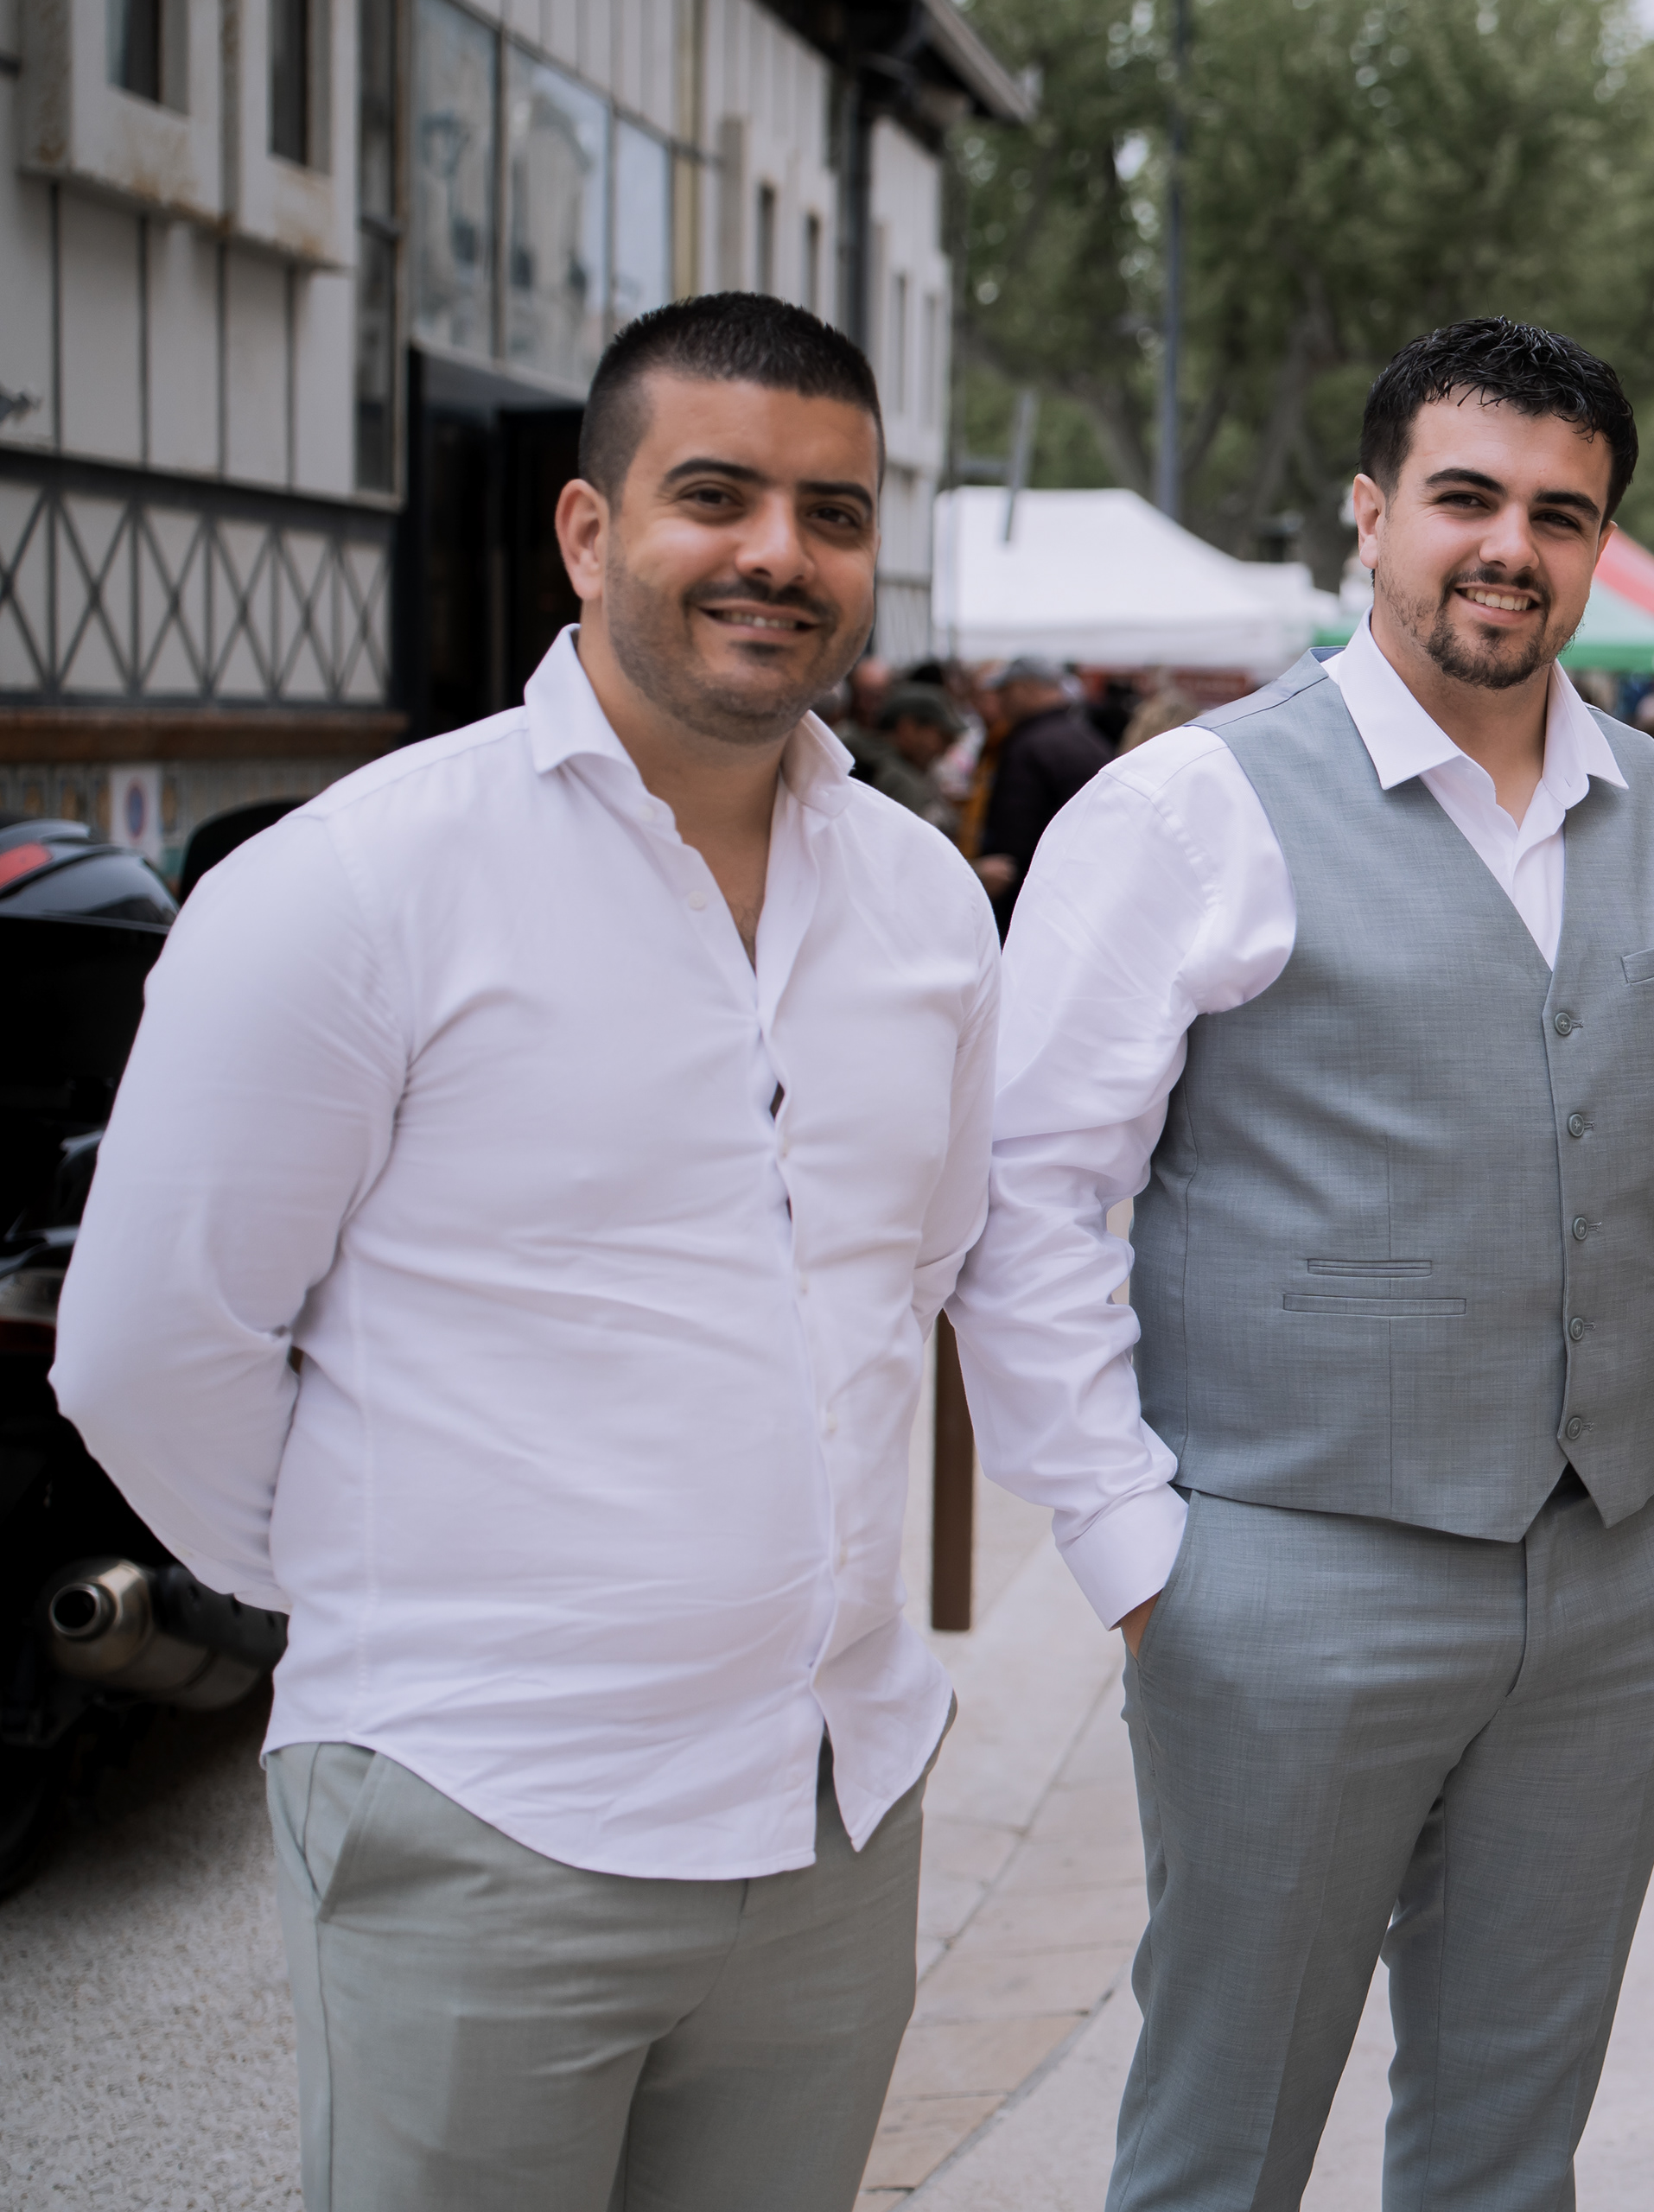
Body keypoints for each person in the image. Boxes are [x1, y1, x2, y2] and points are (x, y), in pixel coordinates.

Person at [49, 293, 1000, 2211]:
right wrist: (390, 1603)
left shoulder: (921, 900)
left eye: (832, 511)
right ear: (586, 530)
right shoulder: (350, 883)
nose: (776, 554)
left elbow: (914, 1278)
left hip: (834, 1809)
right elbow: (152, 1345)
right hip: (485, 1810)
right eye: (714, 495)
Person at [945, 316, 1654, 2211]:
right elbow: (1035, 1200)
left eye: (1563, 513)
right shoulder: (1186, 808)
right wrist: (1139, 1550)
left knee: (1512, 2134)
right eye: (1465, 497)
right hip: (1285, 1572)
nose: (1510, 547)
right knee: (1221, 2139)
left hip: (1618, 1567)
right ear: (1371, 512)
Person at [973, 654, 1116, 920]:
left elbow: (1014, 832)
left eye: (1005, 691)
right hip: (1084, 887)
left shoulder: (1027, 745)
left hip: (1033, 896)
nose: (1000, 701)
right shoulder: (1087, 737)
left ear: (1024, 689)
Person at [845, 682, 964, 835]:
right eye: (942, 737)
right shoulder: (904, 782)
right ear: (908, 728)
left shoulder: (846, 750)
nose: (944, 749)